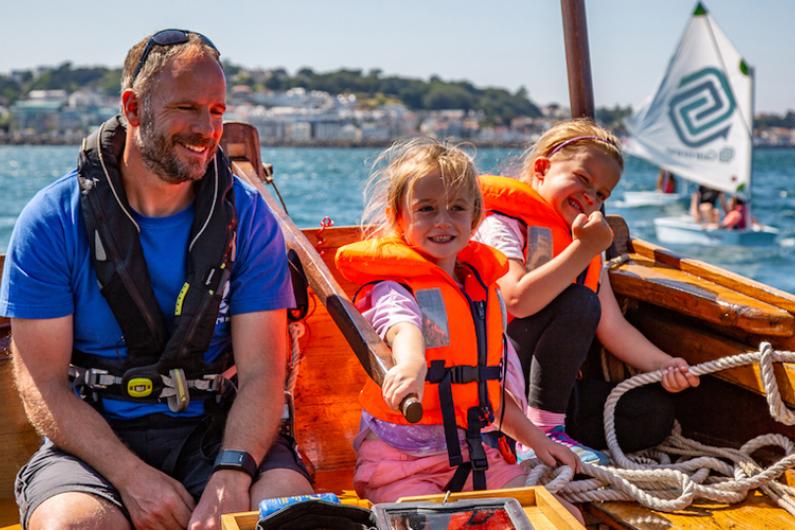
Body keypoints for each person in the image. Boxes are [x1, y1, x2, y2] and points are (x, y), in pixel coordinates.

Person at [0, 29, 312, 530]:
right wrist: (131, 477)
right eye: (186, 108)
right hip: (94, 444)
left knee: (286, 512)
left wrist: (231, 475)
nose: (207, 129)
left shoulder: (248, 218)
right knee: (74, 526)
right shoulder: (52, 220)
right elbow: (44, 385)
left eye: (216, 110)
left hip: (218, 433)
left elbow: (261, 374)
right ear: (134, 108)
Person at [334, 138, 581, 506]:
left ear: (476, 216)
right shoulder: (394, 287)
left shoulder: (481, 292)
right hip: (404, 465)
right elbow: (401, 326)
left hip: (479, 456)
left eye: (457, 208)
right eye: (427, 209)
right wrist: (412, 363)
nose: (443, 221)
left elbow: (489, 394)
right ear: (398, 217)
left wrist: (539, 441)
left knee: (560, 516)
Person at [474, 119, 700, 465]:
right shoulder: (502, 225)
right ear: (541, 168)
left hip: (550, 391)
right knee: (578, 301)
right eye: (582, 179)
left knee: (654, 414)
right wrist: (582, 249)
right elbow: (517, 299)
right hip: (498, 391)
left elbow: (613, 327)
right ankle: (539, 436)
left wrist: (666, 365)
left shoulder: (587, 247)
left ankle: (556, 432)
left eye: (601, 194)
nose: (590, 197)